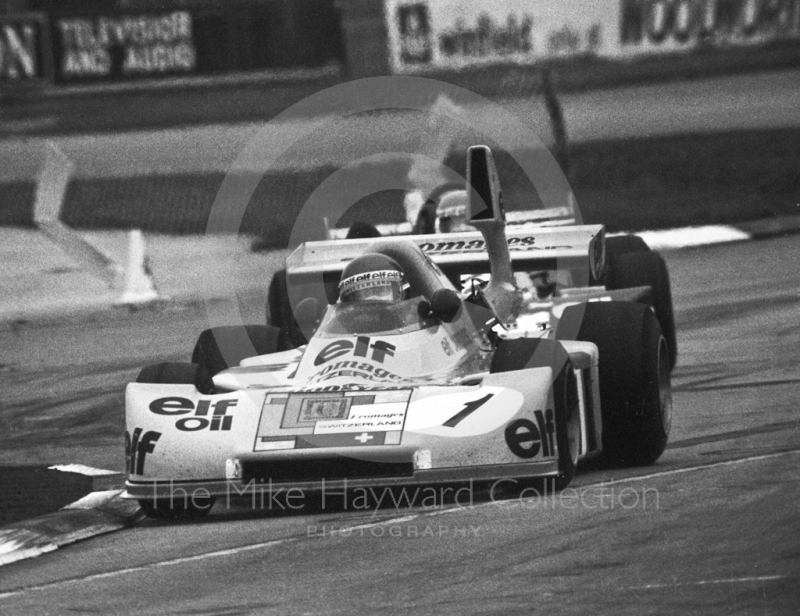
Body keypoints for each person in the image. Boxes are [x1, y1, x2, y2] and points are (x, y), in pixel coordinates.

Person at [338, 253, 408, 305]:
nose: (374, 298)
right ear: (352, 298)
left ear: (398, 294)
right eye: (366, 293)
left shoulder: (414, 322)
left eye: (380, 291)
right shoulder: (339, 324)